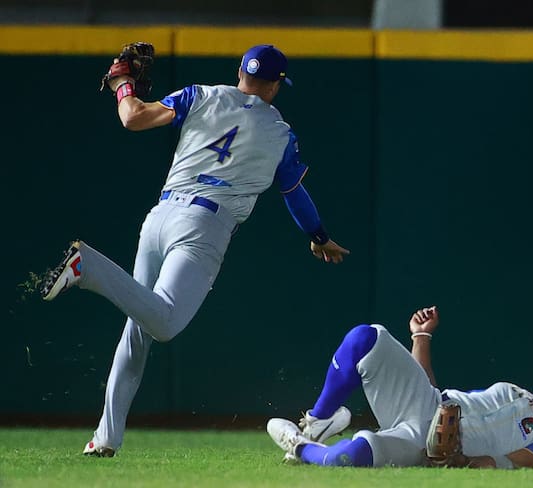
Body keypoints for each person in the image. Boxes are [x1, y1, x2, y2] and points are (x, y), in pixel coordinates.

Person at [39, 44, 349, 457]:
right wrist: (319, 235)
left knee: (137, 329)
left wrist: (122, 84)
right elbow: (294, 193)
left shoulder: (201, 95)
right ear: (275, 85)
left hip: (161, 215)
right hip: (204, 225)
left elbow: (132, 117)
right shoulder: (279, 132)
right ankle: (87, 267)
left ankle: (105, 438)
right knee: (163, 323)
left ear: (240, 70)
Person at [267, 306, 533, 469]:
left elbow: (516, 463)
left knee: (348, 457)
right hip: (426, 405)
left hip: (430, 447)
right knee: (365, 337)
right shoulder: (516, 391)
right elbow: (429, 388)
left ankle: (299, 449)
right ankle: (317, 423)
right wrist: (422, 336)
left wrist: (463, 461)